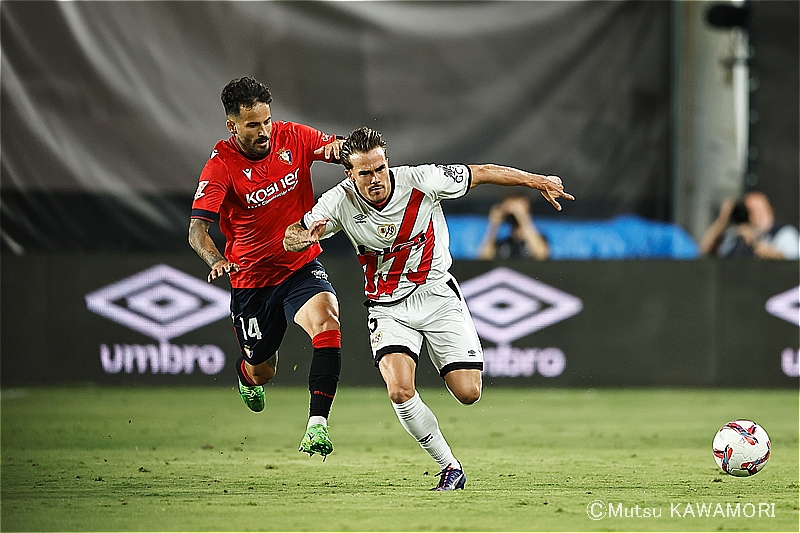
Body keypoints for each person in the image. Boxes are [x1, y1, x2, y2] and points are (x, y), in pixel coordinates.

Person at [283, 127, 574, 490]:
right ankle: (450, 466)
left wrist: (537, 181)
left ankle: (446, 360)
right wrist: (302, 238)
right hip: (387, 307)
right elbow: (292, 234)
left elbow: (480, 171)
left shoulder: (421, 180)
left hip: (437, 296)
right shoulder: (337, 202)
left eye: (380, 169)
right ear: (349, 173)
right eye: (365, 173)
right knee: (400, 390)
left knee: (468, 393)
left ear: (387, 162)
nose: (376, 179)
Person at [188, 77, 345, 459]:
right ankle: (246, 374)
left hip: (299, 265)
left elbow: (336, 148)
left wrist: (356, 153)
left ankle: (317, 425)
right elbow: (196, 230)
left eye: (267, 121)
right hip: (252, 283)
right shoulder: (221, 165)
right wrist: (217, 259)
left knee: (328, 323)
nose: (264, 132)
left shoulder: (294, 137)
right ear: (232, 126)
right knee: (264, 370)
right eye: (253, 125)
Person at [700, 192, 799, 259]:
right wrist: (721, 221)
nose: (752, 216)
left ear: (768, 210)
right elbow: (703, 251)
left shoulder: (784, 233)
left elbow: (790, 261)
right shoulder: (735, 235)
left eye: (755, 211)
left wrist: (753, 241)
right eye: (748, 212)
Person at [478, 194, 550, 260]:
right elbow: (484, 258)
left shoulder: (540, 238)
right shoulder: (503, 243)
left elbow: (541, 255)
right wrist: (494, 225)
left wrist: (523, 219)